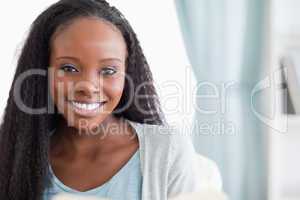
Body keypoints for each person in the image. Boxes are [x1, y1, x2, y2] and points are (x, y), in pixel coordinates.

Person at [0, 0, 222, 200]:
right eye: (69, 68)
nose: (87, 87)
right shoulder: (12, 154)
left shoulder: (168, 150)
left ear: (126, 75)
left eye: (108, 70)